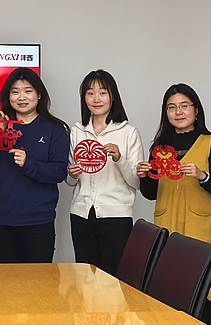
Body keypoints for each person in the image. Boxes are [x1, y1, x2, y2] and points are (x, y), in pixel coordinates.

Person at [137, 84, 211, 325]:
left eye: (184, 105)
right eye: (172, 107)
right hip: (168, 227)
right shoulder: (159, 149)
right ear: (165, 113)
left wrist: (202, 176)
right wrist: (144, 176)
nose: (178, 112)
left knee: (201, 297)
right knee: (168, 296)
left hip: (200, 231)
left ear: (196, 111)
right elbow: (150, 194)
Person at [0, 67, 70, 264]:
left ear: (39, 94)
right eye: (15, 92)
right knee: (4, 280)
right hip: (2, 218)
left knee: (38, 281)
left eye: (28, 91)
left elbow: (59, 172)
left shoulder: (55, 130)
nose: (21, 97)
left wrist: (29, 164)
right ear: (8, 96)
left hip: (39, 219)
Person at [66, 70, 143, 276]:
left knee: (112, 279)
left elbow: (137, 182)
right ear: (84, 98)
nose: (96, 99)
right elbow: (70, 181)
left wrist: (119, 158)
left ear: (113, 96)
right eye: (90, 93)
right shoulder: (77, 131)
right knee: (84, 277)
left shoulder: (128, 132)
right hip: (81, 215)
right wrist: (72, 175)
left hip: (116, 217)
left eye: (102, 93)